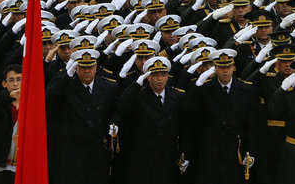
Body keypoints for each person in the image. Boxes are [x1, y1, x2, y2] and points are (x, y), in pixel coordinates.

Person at [46, 48, 119, 184]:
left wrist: (114, 124)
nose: (87, 71)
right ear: (76, 68)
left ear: (96, 67)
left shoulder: (108, 86)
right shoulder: (67, 86)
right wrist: (67, 75)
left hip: (97, 148)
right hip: (72, 149)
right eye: (83, 67)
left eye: (90, 67)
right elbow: (49, 98)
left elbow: (115, 110)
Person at [190, 48, 259, 184]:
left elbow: (252, 124)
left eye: (228, 67)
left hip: (236, 147)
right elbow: (193, 116)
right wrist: (196, 86)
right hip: (211, 148)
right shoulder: (204, 90)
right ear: (215, 68)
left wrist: (250, 151)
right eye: (221, 67)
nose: (225, 71)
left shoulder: (246, 90)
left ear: (233, 67)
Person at [117, 56, 189, 184]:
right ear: (148, 77)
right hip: (144, 157)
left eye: (163, 75)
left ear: (168, 76)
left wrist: (184, 153)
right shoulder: (139, 96)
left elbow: (185, 128)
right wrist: (136, 85)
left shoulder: (178, 97)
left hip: (168, 156)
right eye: (155, 75)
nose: (159, 79)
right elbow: (121, 107)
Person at [0, 64, 22, 184]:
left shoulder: (32, 104)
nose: (15, 84)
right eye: (11, 80)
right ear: (4, 84)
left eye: (19, 79)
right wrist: (9, 96)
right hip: (0, 165)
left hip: (22, 165)